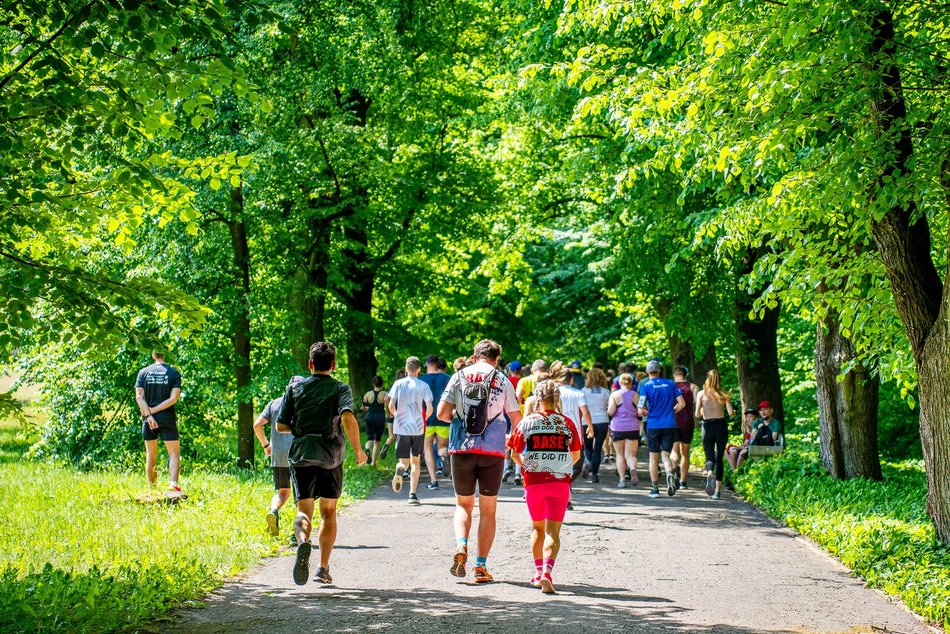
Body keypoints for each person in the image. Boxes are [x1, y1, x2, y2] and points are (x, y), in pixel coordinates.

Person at [276, 341, 368, 586]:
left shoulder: (294, 388)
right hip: (331, 457)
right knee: (328, 513)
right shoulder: (340, 388)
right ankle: (322, 569)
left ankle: (304, 543)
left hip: (302, 455)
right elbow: (347, 416)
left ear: (310, 364)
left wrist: (303, 428)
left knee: (302, 511)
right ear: (334, 365)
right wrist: (358, 450)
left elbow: (280, 425)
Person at [437, 339, 522, 583]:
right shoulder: (502, 379)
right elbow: (517, 419)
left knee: (463, 505)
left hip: (461, 449)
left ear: (475, 357)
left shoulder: (459, 376)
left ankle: (461, 546)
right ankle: (481, 567)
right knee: (488, 510)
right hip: (492, 452)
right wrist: (509, 439)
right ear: (496, 360)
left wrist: (457, 414)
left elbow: (442, 414)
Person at [507, 379, 582, 594]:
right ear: (556, 398)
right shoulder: (567, 423)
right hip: (560, 483)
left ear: (537, 399)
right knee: (553, 532)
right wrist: (561, 466)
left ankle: (538, 573)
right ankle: (547, 573)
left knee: (537, 528)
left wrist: (529, 466)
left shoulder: (527, 422)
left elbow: (514, 453)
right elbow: (576, 455)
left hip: (534, 482)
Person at [134, 351, 182, 491]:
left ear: (153, 355)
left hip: (148, 420)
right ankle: (173, 483)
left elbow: (138, 397)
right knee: (173, 453)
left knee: (151, 454)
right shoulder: (173, 373)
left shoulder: (143, 372)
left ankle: (153, 489)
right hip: (167, 418)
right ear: (165, 354)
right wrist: (154, 411)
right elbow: (173, 398)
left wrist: (149, 415)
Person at [388, 356, 433, 505]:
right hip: (418, 428)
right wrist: (424, 419)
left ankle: (400, 469)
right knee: (416, 461)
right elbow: (430, 408)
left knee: (403, 461)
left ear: (406, 368)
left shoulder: (398, 384)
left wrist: (398, 416)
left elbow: (390, 405)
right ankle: (412, 495)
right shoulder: (423, 385)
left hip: (402, 428)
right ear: (419, 369)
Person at [638, 359, 686, 498]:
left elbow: (640, 409)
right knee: (665, 454)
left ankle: (655, 488)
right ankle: (670, 473)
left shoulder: (646, 386)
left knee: (653, 457)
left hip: (653, 425)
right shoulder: (671, 384)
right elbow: (682, 403)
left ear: (647, 372)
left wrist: (644, 412)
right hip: (670, 424)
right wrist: (671, 412)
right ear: (659, 371)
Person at [253, 391, 296, 535]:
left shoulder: (274, 403)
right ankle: (297, 534)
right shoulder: (302, 403)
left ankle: (273, 511)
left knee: (282, 492)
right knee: (301, 495)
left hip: (278, 455)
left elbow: (257, 424)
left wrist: (266, 445)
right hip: (298, 455)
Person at [554, 362, 592, 509]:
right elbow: (585, 411)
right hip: (574, 433)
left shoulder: (554, 392)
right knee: (577, 465)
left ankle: (563, 490)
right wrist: (590, 427)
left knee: (559, 465)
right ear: (571, 380)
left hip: (555, 433)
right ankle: (566, 487)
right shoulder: (578, 393)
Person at [695, 369, 734, 500]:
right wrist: (732, 411)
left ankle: (710, 472)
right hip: (721, 427)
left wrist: (701, 410)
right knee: (719, 458)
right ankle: (717, 492)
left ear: (707, 378)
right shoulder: (723, 394)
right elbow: (730, 413)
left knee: (709, 456)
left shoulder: (701, 394)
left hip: (707, 427)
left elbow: (696, 415)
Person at [419, 355, 451, 489]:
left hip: (426, 419)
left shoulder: (420, 380)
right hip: (443, 417)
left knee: (427, 448)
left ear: (426, 365)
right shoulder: (447, 378)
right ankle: (443, 457)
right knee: (442, 446)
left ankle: (433, 481)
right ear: (438, 365)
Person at [607, 373, 641, 487]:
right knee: (630, 454)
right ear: (631, 383)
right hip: (633, 426)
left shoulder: (614, 395)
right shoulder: (636, 395)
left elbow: (611, 412)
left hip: (618, 427)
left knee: (619, 454)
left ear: (620, 383)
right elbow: (641, 412)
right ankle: (632, 468)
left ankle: (622, 480)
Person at [670, 366, 699, 490]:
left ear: (674, 375)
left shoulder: (670, 386)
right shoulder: (693, 387)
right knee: (685, 453)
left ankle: (673, 471)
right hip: (687, 423)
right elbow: (697, 403)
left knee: (674, 451)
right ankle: (683, 482)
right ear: (686, 375)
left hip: (672, 422)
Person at [581, 367, 611, 483]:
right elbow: (610, 406)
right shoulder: (606, 391)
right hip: (602, 420)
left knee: (587, 447)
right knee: (597, 449)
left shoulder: (583, 390)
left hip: (587, 421)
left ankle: (587, 462)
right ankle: (594, 475)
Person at [359, 375, 388, 466]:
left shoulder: (368, 394)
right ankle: (373, 463)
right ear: (382, 384)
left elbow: (362, 407)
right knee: (377, 441)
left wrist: (369, 408)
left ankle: (367, 449)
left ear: (373, 384)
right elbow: (387, 407)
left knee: (370, 438)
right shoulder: (385, 394)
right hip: (380, 418)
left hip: (370, 417)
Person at [379, 368, 407, 460]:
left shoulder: (393, 386)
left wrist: (389, 412)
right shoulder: (407, 386)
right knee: (402, 436)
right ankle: (398, 452)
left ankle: (386, 445)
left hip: (391, 414)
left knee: (392, 436)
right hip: (403, 415)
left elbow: (386, 399)